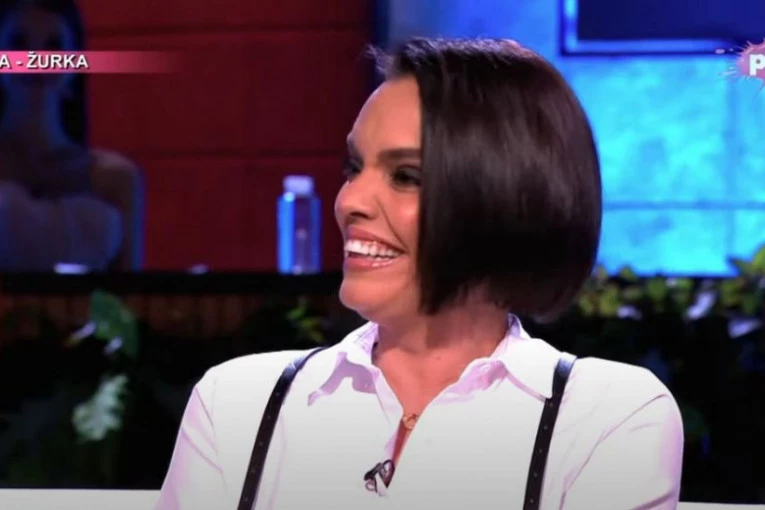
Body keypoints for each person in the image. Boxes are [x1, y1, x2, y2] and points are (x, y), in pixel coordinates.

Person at [156, 38, 684, 509]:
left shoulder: (606, 418)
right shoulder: (238, 405)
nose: (349, 201)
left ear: (502, 197)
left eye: (405, 176)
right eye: (353, 168)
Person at [0, 0, 144, 271]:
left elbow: (127, 292)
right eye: (18, 43)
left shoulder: (116, 179)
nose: (36, 59)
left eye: (54, 46)